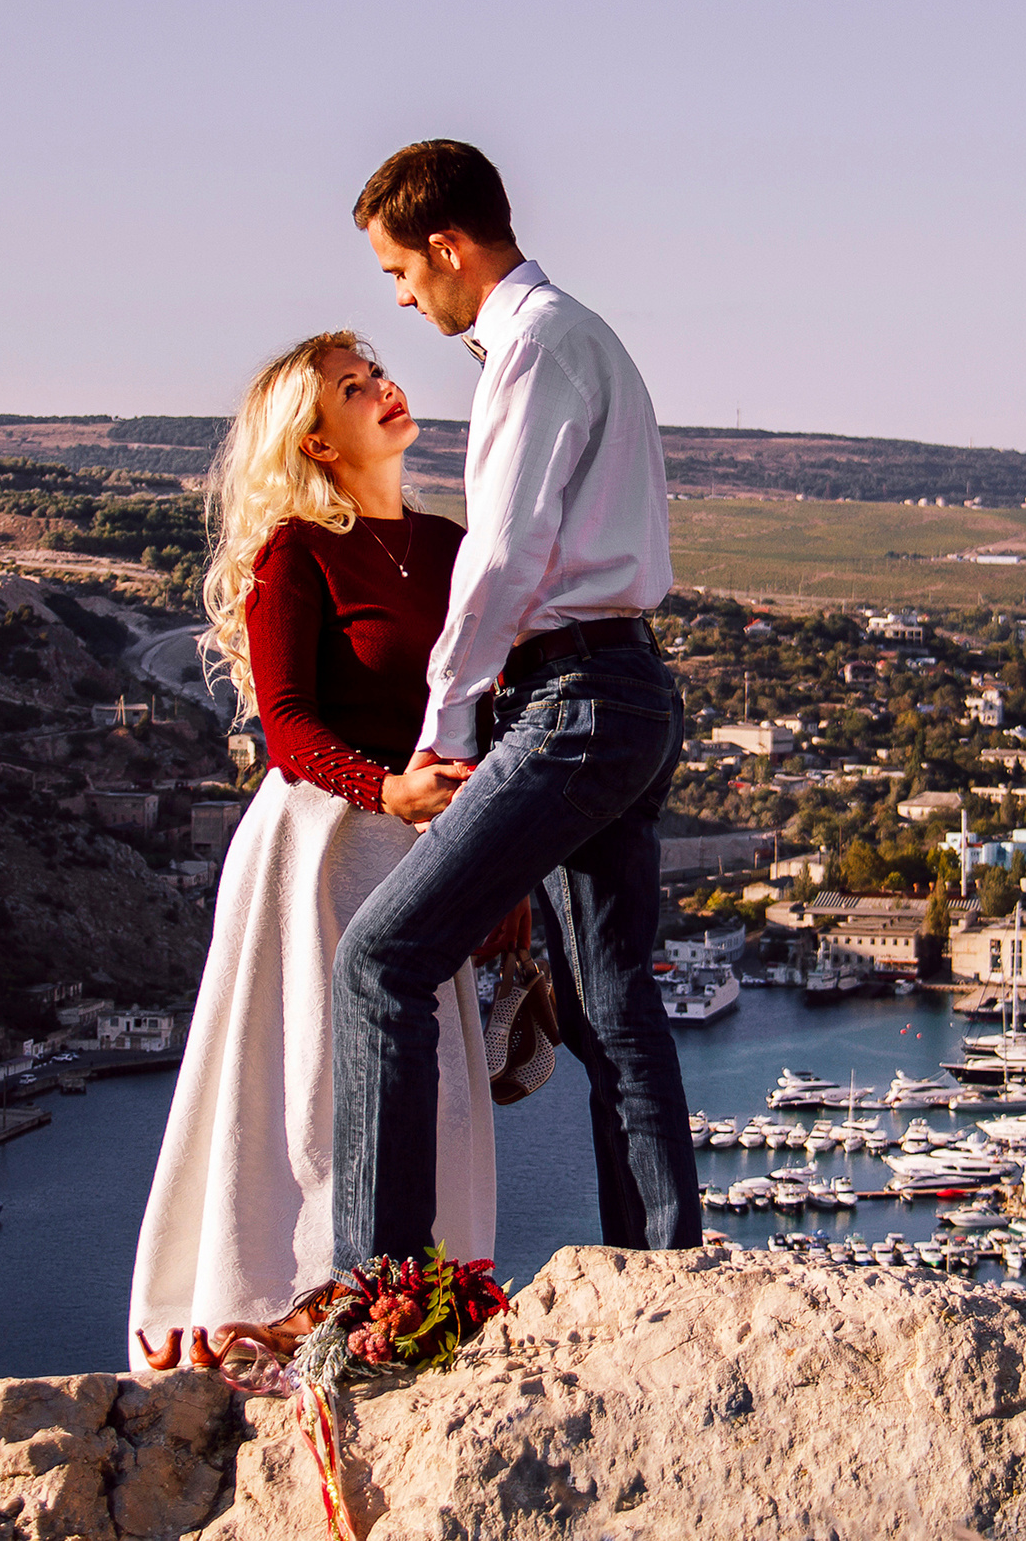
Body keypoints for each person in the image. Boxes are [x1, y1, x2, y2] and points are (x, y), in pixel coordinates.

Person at [333, 140, 700, 1269]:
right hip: (625, 689)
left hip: (573, 700)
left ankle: (381, 1291)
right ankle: (661, 1274)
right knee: (610, 1009)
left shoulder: (534, 348)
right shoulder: (583, 337)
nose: (401, 297)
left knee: (380, 963)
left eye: (401, 270)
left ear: (448, 247)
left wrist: (443, 731)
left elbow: (500, 559)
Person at [128, 331, 495, 1372]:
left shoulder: (450, 547)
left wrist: (497, 859)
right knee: (308, 1086)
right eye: (352, 386)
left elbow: (484, 707)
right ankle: (284, 1306)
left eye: (377, 373)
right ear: (317, 440)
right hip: (321, 850)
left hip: (427, 850)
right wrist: (386, 791)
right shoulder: (295, 553)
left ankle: (418, 1301)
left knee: (429, 1091)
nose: (385, 388)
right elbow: (287, 725)